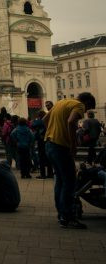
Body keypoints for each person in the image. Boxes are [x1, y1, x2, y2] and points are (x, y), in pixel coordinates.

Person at [43, 92, 96, 229]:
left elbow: (44, 119)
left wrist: (52, 131)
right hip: (61, 146)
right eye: (88, 107)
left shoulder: (61, 102)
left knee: (60, 180)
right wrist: (73, 144)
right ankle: (68, 217)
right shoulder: (78, 105)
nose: (85, 111)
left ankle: (61, 214)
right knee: (70, 181)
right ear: (86, 102)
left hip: (49, 144)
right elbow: (71, 121)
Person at [31, 111, 53, 179]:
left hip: (41, 140)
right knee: (48, 157)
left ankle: (43, 174)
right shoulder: (49, 120)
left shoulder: (40, 120)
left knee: (41, 157)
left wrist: (36, 120)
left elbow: (33, 125)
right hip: (48, 139)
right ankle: (50, 173)